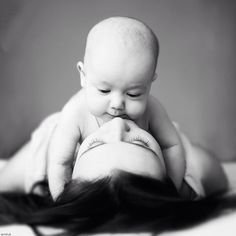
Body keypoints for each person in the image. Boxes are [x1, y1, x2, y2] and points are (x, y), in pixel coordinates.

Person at [0, 117, 233, 236]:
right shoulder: (186, 163)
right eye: (142, 142)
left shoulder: (41, 158)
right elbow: (220, 178)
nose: (118, 123)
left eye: (96, 143)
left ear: (69, 170)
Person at [46, 16, 186, 199]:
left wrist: (171, 190)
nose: (117, 104)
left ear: (150, 83)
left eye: (134, 94)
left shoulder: (153, 109)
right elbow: (59, 163)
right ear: (83, 76)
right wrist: (60, 199)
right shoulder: (75, 112)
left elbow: (172, 146)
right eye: (104, 90)